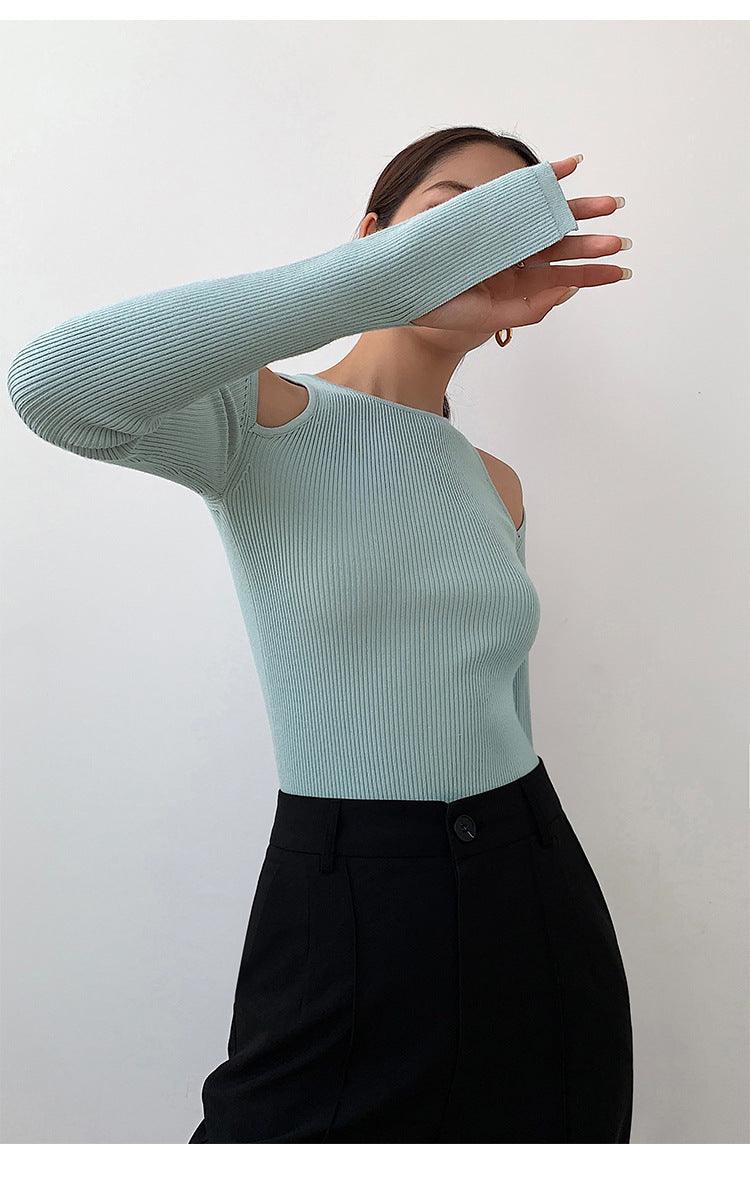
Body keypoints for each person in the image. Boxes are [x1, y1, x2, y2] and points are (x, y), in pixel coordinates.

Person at [6, 124, 634, 1143]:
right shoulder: (256, 417)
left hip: (535, 880)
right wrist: (375, 284)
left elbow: (502, 702)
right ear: (374, 237)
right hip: (354, 895)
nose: (477, 248)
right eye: (452, 219)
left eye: (505, 233)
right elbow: (54, 387)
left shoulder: (496, 483)